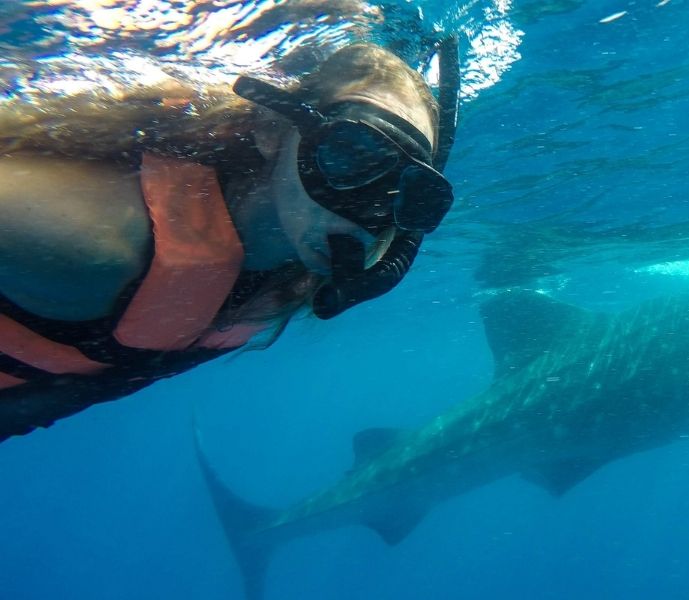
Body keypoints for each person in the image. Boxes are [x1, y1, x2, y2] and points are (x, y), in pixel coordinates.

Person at [0, 38, 461, 441]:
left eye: (409, 192)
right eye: (352, 156)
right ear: (269, 127)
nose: (372, 211)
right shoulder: (89, 241)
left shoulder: (290, 274)